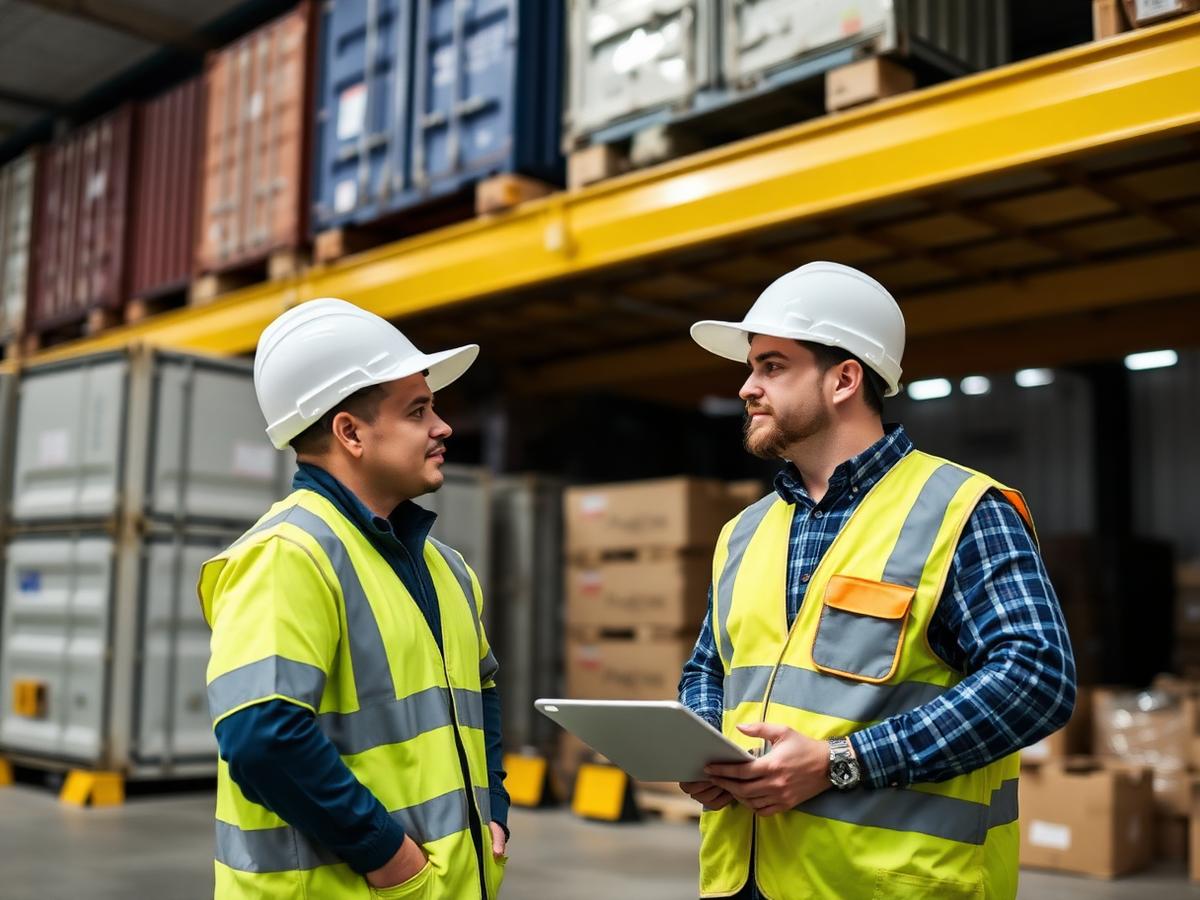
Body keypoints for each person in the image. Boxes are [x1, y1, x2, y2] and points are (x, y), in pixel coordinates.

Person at [677, 262, 1075, 899]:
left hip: (889, 884)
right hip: (743, 877)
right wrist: (705, 752)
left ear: (844, 379)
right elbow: (709, 668)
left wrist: (842, 762)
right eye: (750, 368)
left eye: (772, 366)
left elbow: (1036, 679)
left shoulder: (962, 509)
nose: (748, 387)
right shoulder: (744, 531)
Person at [199, 297, 509, 899]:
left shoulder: (446, 567)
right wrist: (387, 857)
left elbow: (483, 689)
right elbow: (263, 736)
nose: (443, 427)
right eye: (418, 411)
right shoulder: (288, 554)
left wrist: (491, 804)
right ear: (350, 433)